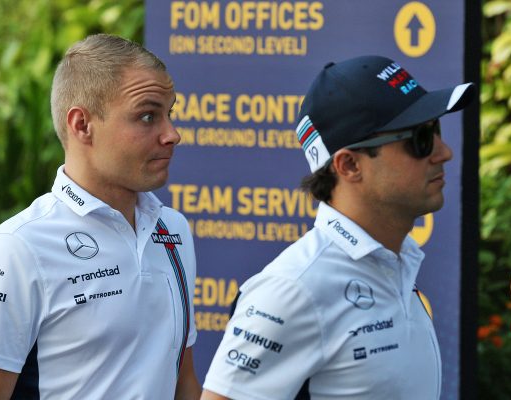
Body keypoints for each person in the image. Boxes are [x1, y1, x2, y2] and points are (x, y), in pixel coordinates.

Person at [201, 55, 476, 400]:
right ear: (349, 165)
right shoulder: (293, 288)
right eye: (420, 138)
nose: (444, 152)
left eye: (435, 129)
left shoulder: (396, 263)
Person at [0, 34, 201, 399]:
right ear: (82, 125)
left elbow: (182, 381)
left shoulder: (172, 229)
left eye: (170, 113)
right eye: (147, 116)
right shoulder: (13, 252)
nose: (172, 134)